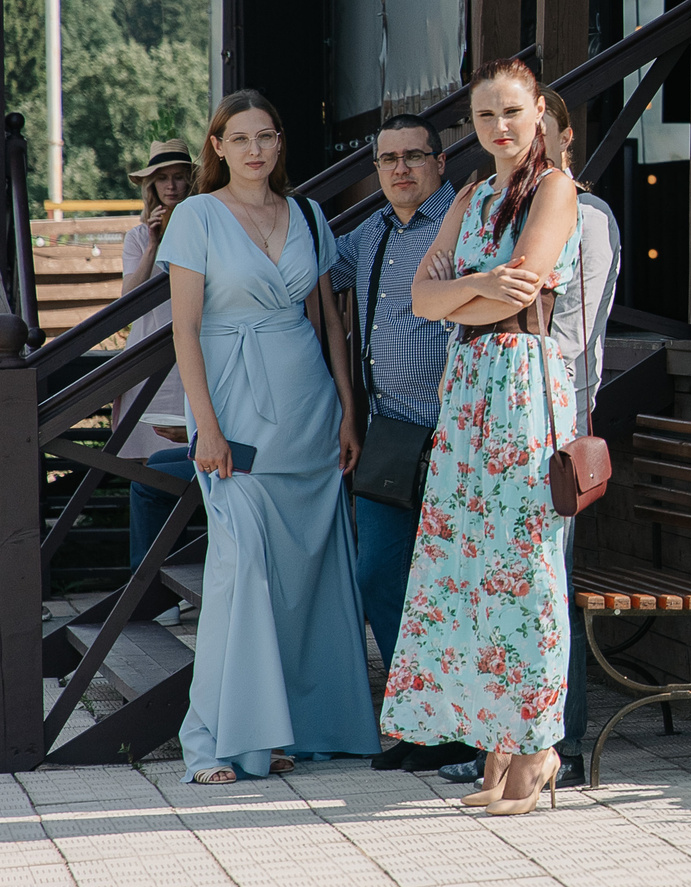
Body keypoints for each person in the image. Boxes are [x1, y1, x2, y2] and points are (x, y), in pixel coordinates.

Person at [380, 58, 583, 815]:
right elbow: (420, 300)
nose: (500, 126)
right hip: (466, 392)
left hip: (521, 385)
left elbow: (523, 285)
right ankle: (498, 737)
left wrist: (459, 294)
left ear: (538, 112)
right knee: (465, 566)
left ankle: (538, 746)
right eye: (486, 115)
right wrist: (473, 288)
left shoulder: (554, 187)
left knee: (524, 568)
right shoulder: (470, 193)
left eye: (512, 111)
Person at [159, 92, 372, 782]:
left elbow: (332, 323)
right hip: (234, 418)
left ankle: (290, 731)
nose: (255, 149)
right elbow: (183, 330)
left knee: (303, 578)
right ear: (216, 145)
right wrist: (207, 427)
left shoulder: (307, 212)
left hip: (311, 414)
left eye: (267, 136)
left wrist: (346, 409)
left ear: (281, 144)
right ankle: (216, 739)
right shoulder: (195, 217)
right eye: (240, 137)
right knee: (239, 571)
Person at [323, 115, 471, 773]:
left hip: (456, 437)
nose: (401, 168)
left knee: (453, 585)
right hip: (389, 439)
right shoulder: (371, 231)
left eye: (415, 156)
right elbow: (305, 262)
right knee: (380, 572)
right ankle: (421, 721)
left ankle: (464, 727)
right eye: (388, 159)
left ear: (440, 162)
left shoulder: (466, 221)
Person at [118, 139, 197, 576]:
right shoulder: (136, 235)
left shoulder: (206, 223)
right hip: (148, 359)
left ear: (190, 179)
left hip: (190, 358)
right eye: (162, 178)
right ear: (150, 185)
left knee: (191, 468)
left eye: (178, 176)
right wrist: (151, 243)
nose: (171, 185)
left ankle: (180, 576)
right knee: (149, 475)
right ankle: (150, 585)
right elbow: (125, 302)